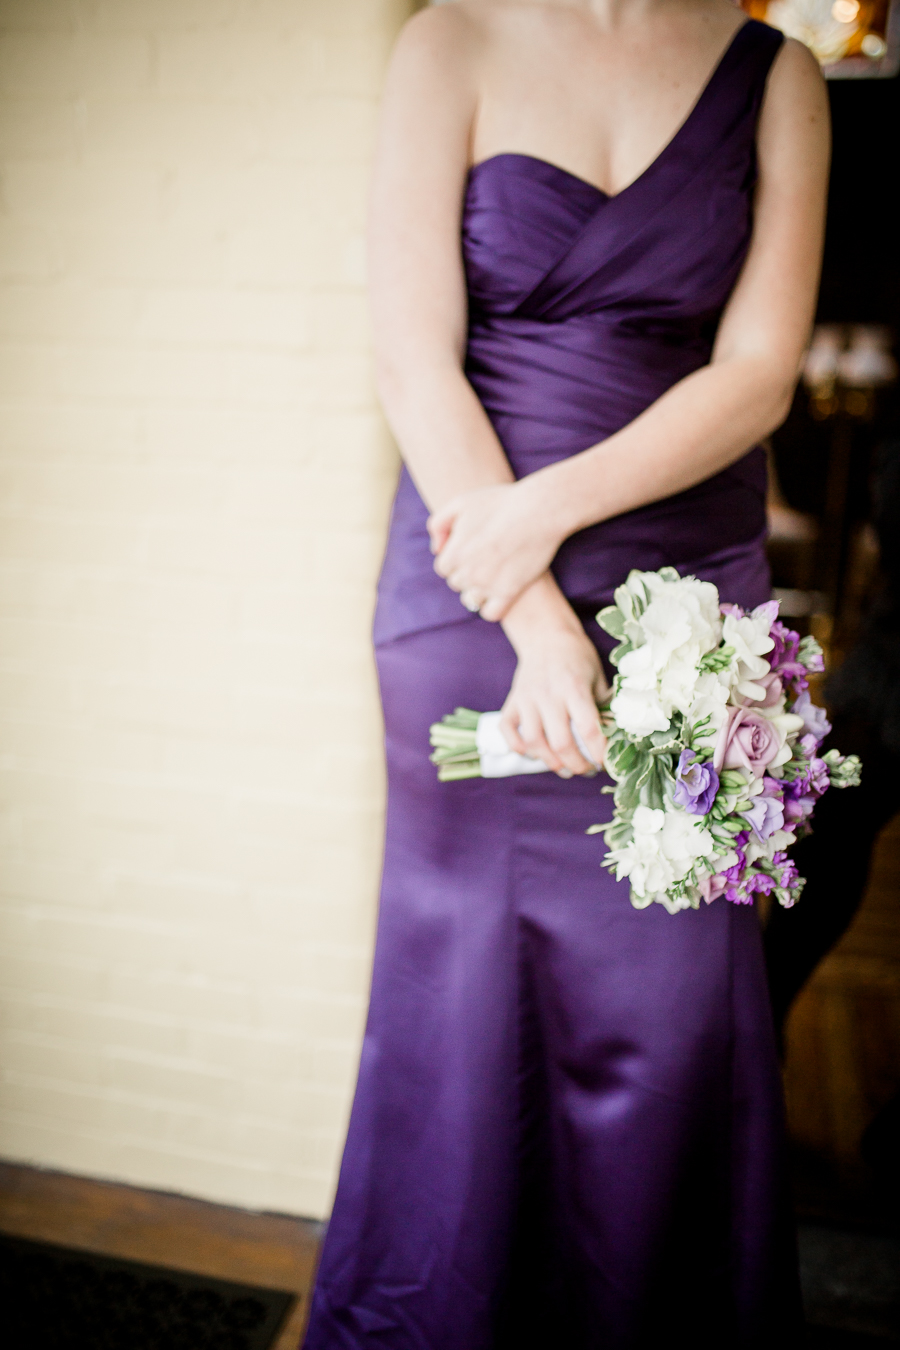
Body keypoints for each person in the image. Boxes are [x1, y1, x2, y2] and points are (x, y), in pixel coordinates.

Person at [303, 3, 829, 1346]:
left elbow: (762, 372)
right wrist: (531, 604)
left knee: (674, 1025)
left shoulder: (778, 76)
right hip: (470, 597)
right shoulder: (449, 44)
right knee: (462, 1012)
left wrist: (550, 514)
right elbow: (412, 357)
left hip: (690, 613)